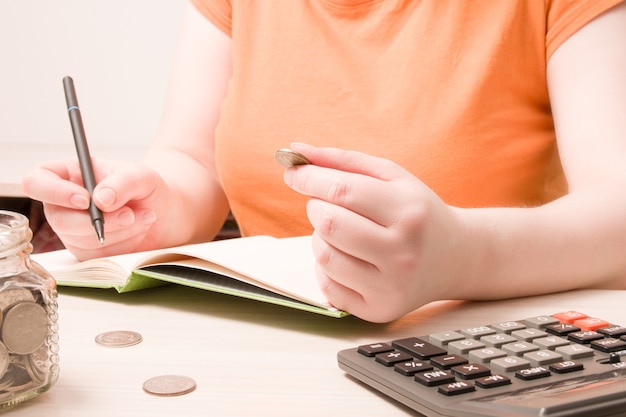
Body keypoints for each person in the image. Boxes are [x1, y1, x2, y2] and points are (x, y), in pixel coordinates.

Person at [22, 1, 626, 323]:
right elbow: (191, 162)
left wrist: (463, 256)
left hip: (470, 354)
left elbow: (618, 212)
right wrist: (143, 211)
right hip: (265, 344)